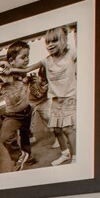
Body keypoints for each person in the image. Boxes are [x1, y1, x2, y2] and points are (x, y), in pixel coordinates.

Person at [0, 41, 38, 171]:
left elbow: (31, 88)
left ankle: (28, 157)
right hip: (13, 115)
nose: (27, 59)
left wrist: (33, 82)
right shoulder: (6, 76)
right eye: (23, 57)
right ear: (11, 60)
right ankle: (19, 156)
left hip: (27, 111)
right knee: (5, 138)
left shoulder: (24, 72)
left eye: (28, 56)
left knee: (25, 136)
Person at [39, 26, 78, 164]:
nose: (50, 45)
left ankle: (75, 157)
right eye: (47, 42)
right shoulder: (47, 60)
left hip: (69, 97)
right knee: (56, 129)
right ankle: (65, 153)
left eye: (54, 41)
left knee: (68, 129)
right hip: (55, 99)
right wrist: (8, 67)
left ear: (64, 39)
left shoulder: (72, 54)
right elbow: (26, 69)